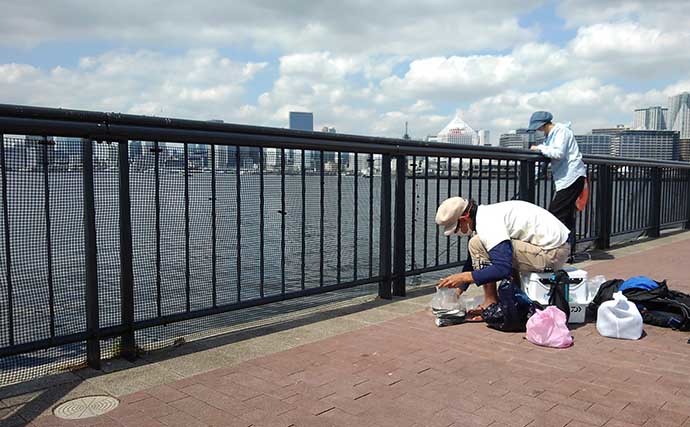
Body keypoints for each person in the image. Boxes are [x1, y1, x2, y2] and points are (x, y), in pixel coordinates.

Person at [435, 196, 570, 319]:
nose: (458, 233)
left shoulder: (488, 224)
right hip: (552, 247)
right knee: (482, 245)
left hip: (552, 253)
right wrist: (457, 291)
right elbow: (473, 259)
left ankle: (490, 305)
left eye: (456, 228)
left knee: (476, 243)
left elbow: (502, 268)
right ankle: (504, 301)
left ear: (464, 219)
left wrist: (465, 277)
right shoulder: (485, 215)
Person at [527, 111, 587, 233]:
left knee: (555, 213)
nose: (538, 130)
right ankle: (568, 248)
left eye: (538, 127)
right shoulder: (551, 136)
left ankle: (558, 247)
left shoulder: (561, 132)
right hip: (568, 178)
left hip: (572, 177)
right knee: (566, 214)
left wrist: (539, 148)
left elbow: (558, 153)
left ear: (542, 124)